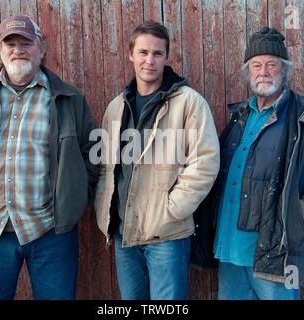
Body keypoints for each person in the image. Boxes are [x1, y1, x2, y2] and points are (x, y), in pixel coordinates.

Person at [0, 15, 98, 300]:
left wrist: (74, 201)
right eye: (9, 43)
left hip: (51, 233)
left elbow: (93, 155)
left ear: (41, 48)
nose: (18, 49)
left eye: (26, 42)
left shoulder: (69, 98)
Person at [191, 26, 304, 300]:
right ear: (248, 72)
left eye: (271, 64)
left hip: (277, 255)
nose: (263, 71)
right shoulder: (239, 117)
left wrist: (294, 220)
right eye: (256, 65)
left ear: (284, 70)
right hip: (229, 251)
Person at [94, 21, 220, 300]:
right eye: (142, 52)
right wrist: (105, 207)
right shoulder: (116, 107)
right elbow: (105, 166)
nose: (149, 60)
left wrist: (171, 210)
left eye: (157, 53)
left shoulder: (189, 102)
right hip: (123, 234)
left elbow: (205, 163)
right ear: (131, 55)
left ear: (166, 57)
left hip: (166, 235)